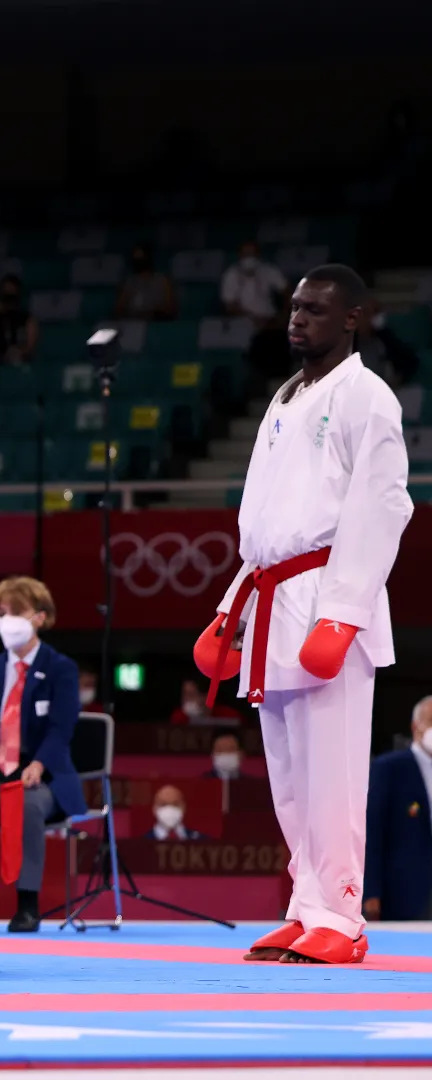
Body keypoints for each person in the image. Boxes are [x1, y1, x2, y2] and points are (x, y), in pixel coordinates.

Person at [196, 265, 412, 966]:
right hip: (272, 596)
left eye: (316, 311)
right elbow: (263, 524)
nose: (298, 320)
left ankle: (341, 917)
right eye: (294, 308)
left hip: (326, 597)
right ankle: (306, 902)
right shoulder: (285, 398)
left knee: (334, 772)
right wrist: (230, 608)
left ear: (352, 318)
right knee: (289, 773)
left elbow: (383, 506)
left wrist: (344, 611)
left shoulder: (366, 398)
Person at [0, 576, 85, 934]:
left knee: (27, 806)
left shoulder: (61, 669)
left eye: (17, 612)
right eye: (2, 613)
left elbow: (62, 729)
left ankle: (28, 905)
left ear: (40, 617)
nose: (7, 620)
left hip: (42, 771)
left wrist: (40, 763)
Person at [364, 697, 432, 922]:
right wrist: (370, 891)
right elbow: (372, 831)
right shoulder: (389, 768)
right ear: (416, 727)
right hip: (404, 890)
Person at [222, 241, 293, 380]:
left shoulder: (267, 270)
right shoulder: (231, 275)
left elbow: (287, 291)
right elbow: (229, 306)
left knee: (283, 336)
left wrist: (284, 314)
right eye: (246, 254)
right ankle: (258, 381)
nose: (249, 258)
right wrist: (253, 319)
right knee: (257, 341)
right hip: (245, 321)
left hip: (271, 320)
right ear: (239, 255)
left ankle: (282, 379)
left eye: (252, 254)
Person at [0, 275, 38, 366]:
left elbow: (30, 346)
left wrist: (17, 352)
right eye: (6, 295)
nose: (9, 300)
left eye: (11, 296)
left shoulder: (26, 318)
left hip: (19, 361)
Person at [114, 243, 180, 322]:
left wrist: (153, 313)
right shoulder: (129, 282)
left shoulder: (163, 280)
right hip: (132, 323)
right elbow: (119, 309)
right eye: (136, 256)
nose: (139, 260)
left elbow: (170, 308)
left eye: (142, 256)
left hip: (157, 323)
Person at [170, 677, 240, 726]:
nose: (185, 699)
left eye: (191, 695)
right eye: (184, 694)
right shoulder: (179, 717)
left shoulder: (229, 716)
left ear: (206, 697)